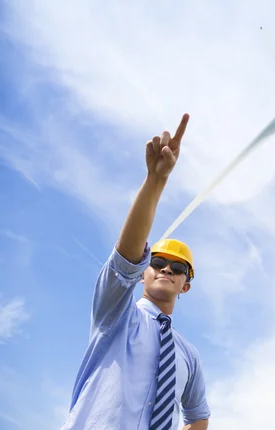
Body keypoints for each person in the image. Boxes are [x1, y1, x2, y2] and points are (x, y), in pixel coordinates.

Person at [61, 113, 210, 429]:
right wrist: (156, 182)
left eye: (178, 267)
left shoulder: (189, 355)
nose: (166, 268)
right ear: (144, 272)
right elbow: (127, 255)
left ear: (186, 285)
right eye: (157, 263)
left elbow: (198, 416)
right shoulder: (115, 314)